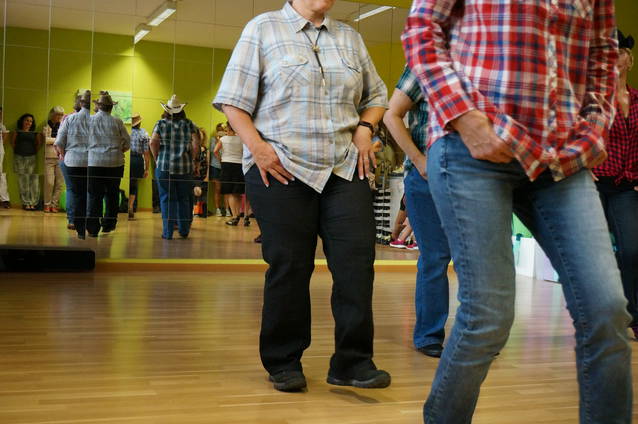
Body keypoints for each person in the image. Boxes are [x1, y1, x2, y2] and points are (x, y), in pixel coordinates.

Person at [402, 1, 632, 422]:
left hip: (563, 154)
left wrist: (593, 130)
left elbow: (602, 53)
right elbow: (421, 29)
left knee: (606, 309)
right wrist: (464, 117)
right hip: (473, 144)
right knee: (488, 316)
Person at [214, 0, 390, 392]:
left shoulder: (350, 37)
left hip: (344, 166)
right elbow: (233, 102)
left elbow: (377, 96)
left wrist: (365, 128)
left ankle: (352, 362)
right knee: (290, 265)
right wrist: (258, 148)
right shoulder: (263, 29)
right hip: (281, 166)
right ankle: (283, 361)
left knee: (356, 265)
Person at [384, 66, 452, 358]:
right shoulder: (424, 63)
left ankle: (478, 335)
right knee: (435, 258)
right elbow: (391, 114)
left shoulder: (486, 61)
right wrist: (419, 160)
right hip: (426, 177)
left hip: (473, 177)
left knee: (476, 260)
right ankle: (428, 335)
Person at [593, 29, 638, 340]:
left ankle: (631, 314)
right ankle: (599, 316)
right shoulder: (593, 99)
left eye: (621, 51)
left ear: (629, 60)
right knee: (595, 253)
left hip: (626, 186)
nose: (617, 57)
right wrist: (582, 166)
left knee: (632, 250)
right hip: (594, 182)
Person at [150, 95, 200, 240]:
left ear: (166, 110)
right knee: (184, 199)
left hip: (164, 166)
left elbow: (153, 142)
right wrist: (192, 159)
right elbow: (196, 144)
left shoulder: (160, 123)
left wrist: (157, 158)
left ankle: (168, 232)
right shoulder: (189, 124)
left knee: (166, 199)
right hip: (184, 167)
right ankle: (184, 231)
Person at [86, 91, 130, 237]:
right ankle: (109, 224)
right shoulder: (117, 122)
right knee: (112, 194)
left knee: (94, 195)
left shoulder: (90, 120)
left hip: (94, 162)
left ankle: (93, 228)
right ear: (111, 108)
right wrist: (119, 150)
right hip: (115, 163)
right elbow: (127, 142)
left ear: (98, 106)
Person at [55, 90, 91, 239]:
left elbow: (59, 142)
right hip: (90, 161)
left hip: (69, 159)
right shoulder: (95, 119)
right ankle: (84, 222)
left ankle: (72, 220)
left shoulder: (69, 118)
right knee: (87, 192)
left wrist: (63, 155)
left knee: (72, 190)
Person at [214, 122, 247, 226]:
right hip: (239, 165)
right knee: (238, 192)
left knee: (230, 192)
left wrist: (220, 159)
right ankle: (239, 214)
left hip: (227, 165)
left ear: (228, 128)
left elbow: (215, 151)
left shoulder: (223, 139)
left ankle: (234, 216)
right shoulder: (242, 139)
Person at [11, 113, 42, 210]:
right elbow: (13, 143)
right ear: (22, 121)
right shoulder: (17, 131)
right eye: (27, 120)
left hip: (31, 157)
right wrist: (19, 151)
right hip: (19, 157)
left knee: (32, 180)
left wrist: (32, 152)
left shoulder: (35, 132)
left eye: (31, 121)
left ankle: (32, 203)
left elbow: (39, 144)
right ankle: (25, 203)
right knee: (22, 180)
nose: (29, 123)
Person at [128, 113, 150, 221]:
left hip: (127, 158)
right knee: (133, 184)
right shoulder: (143, 133)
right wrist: (147, 168)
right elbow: (146, 153)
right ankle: (130, 207)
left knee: (125, 182)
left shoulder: (126, 131)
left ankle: (125, 206)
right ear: (139, 122)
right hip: (137, 160)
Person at [43, 106, 65, 213]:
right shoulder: (46, 125)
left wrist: (54, 140)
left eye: (61, 115)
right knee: (49, 182)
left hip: (61, 157)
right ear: (52, 114)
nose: (59, 117)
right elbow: (46, 140)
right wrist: (58, 140)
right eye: (57, 114)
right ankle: (47, 204)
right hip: (49, 157)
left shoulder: (63, 125)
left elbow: (65, 140)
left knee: (60, 183)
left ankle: (54, 204)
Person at [193, 127, 209, 218]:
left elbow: (208, 164)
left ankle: (202, 212)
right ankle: (195, 211)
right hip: (194, 175)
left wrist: (207, 176)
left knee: (203, 194)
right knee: (195, 193)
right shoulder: (192, 148)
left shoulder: (206, 150)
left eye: (201, 135)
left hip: (203, 175)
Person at [209, 124, 225, 216]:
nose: (221, 131)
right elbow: (213, 151)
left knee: (226, 190)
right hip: (215, 166)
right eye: (219, 130)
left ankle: (227, 209)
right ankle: (217, 208)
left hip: (225, 166)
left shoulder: (227, 139)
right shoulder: (213, 139)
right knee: (217, 189)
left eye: (223, 130)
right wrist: (218, 140)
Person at [0, 107, 10, 208]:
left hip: (0, 151)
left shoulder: (2, 126)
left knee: (0, 174)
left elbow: (4, 138)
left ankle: (4, 199)